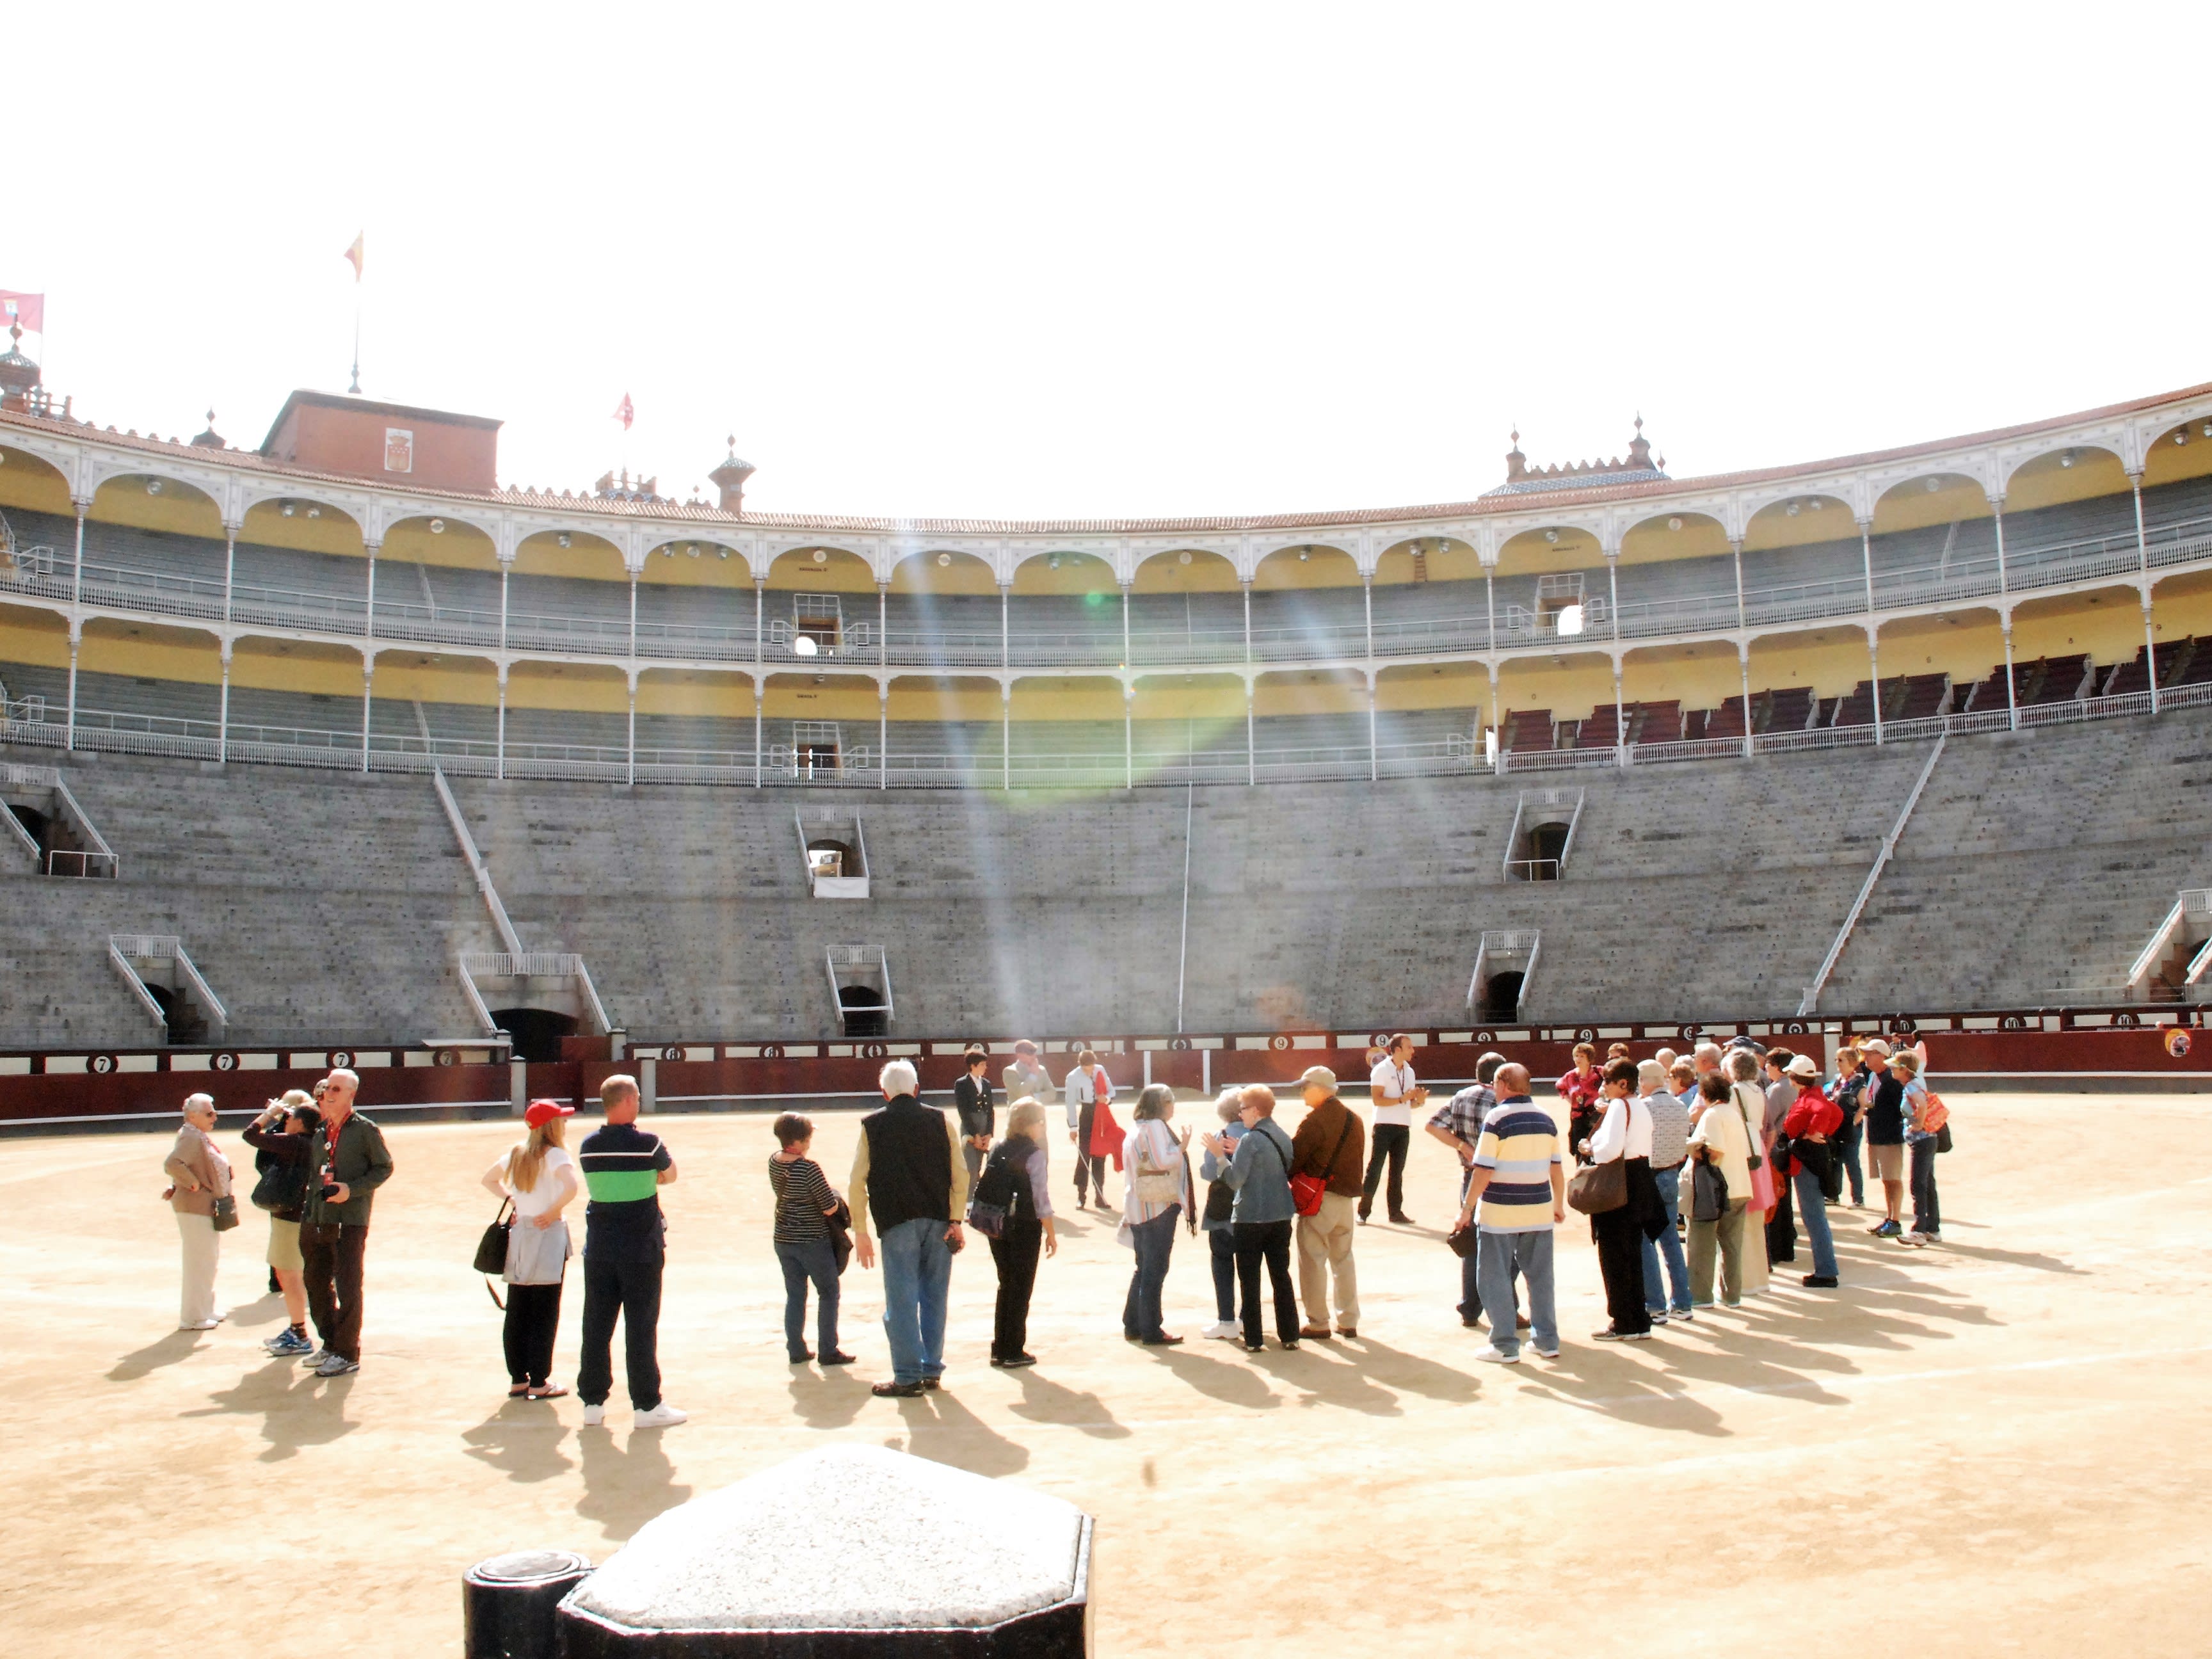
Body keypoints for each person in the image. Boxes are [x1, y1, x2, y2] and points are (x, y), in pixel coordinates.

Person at [851, 1059, 969, 1398]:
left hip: (896, 1223)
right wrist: (956, 1220)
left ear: (884, 1093)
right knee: (935, 1297)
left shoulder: (872, 1125)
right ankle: (931, 1368)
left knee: (902, 1301)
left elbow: (857, 1181)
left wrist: (860, 1230)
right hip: (938, 1222)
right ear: (917, 1089)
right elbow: (960, 1174)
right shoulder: (940, 1120)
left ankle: (907, 1376)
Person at [576, 1075, 686, 1427]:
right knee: (640, 1327)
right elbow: (670, 1176)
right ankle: (646, 1405)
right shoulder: (649, 1144)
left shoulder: (588, 1145)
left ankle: (592, 1402)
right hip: (641, 1247)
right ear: (627, 1102)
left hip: (600, 1249)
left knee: (596, 1324)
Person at [1454, 1068, 1566, 1364]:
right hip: (1539, 1208)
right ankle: (1546, 1340)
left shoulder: (1497, 1118)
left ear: (1503, 1085)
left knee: (1494, 1277)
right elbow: (1556, 1166)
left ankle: (1504, 1344)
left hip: (1501, 1211)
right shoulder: (1546, 1117)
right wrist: (1559, 1203)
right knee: (1541, 1277)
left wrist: (1467, 1209)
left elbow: (1484, 1169)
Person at [483, 1098, 581, 1399]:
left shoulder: (517, 1153)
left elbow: (488, 1180)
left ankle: (518, 1378)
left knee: (518, 1307)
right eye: (561, 1120)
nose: (564, 1124)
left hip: (521, 1232)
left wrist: (514, 1201)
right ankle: (540, 1379)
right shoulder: (556, 1155)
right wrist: (553, 1212)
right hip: (547, 1233)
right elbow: (572, 1187)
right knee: (545, 1308)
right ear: (551, 1126)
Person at [298, 1068, 392, 1377]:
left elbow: (383, 1168)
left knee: (348, 1285)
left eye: (337, 1088)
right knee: (315, 1282)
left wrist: (351, 1190)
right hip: (318, 1219)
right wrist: (310, 1215)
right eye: (327, 1087)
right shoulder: (323, 1131)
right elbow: (315, 1175)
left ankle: (348, 1351)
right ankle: (331, 1341)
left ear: (352, 1094)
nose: (329, 1092)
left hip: (350, 1220)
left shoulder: (365, 1130)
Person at [1200, 1084, 1301, 1352]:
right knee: (1281, 1276)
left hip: (1250, 1218)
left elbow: (1234, 1181)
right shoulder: (1281, 1134)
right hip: (1280, 1215)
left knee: (1250, 1279)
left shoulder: (1250, 1139)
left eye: (1244, 1109)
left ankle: (1254, 1339)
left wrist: (1221, 1156)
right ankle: (1290, 1335)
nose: (1241, 1114)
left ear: (1255, 1110)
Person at [1427, 1052, 1514, 1329]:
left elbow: (1432, 1126)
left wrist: (1463, 1146)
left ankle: (1470, 1307)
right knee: (1506, 1247)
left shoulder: (1462, 1096)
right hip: (1501, 1178)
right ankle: (1506, 1306)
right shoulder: (1500, 1101)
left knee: (1472, 1244)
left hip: (1470, 1177)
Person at [1581, 1058, 1662, 1342]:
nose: (1605, 1087)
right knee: (1632, 1252)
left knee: (1614, 1253)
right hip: (1640, 1177)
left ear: (1623, 1084)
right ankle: (1637, 1318)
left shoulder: (1619, 1106)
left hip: (1620, 1180)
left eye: (1608, 1082)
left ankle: (1624, 1320)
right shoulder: (1641, 1105)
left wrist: (1589, 1148)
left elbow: (1610, 1150)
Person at [769, 1112, 852, 1367]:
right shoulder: (809, 1167)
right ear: (802, 1140)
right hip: (812, 1240)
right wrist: (837, 1197)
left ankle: (796, 1348)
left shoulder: (774, 1161)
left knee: (795, 1295)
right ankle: (828, 1350)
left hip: (784, 1237)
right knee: (828, 1292)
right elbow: (828, 1207)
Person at [978, 1098, 1057, 1367]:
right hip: (1023, 1226)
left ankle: (1000, 1347)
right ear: (1031, 1123)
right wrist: (1051, 1232)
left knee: (1006, 1284)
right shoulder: (1034, 1154)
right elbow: (1041, 1199)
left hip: (996, 1224)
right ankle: (1013, 1349)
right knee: (1021, 1288)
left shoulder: (998, 1147)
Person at [242, 1089, 320, 1356]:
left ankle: (299, 1333)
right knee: (290, 1273)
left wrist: (269, 1114)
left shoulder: (295, 1143)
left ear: (298, 1123)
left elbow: (250, 1136)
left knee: (289, 1275)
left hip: (289, 1218)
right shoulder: (309, 1142)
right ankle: (297, 1329)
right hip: (298, 1214)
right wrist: (284, 1115)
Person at [1291, 1066, 1365, 1340]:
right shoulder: (1354, 1119)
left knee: (1312, 1260)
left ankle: (1319, 1322)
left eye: (1305, 1087)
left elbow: (1294, 1159)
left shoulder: (1315, 1121)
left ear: (1321, 1090)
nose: (1301, 1092)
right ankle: (1348, 1319)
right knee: (1343, 1260)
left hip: (1319, 1198)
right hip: (1346, 1198)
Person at [1119, 1084, 1192, 1346]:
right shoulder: (1156, 1127)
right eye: (1170, 1102)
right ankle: (1151, 1328)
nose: (1172, 1107)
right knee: (1155, 1269)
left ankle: (1134, 1323)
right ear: (1161, 1105)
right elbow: (1163, 1161)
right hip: (1157, 1207)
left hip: (1138, 1207)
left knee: (1144, 1268)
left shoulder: (1137, 1128)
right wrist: (1182, 1147)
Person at [163, 1093, 233, 1333]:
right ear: (193, 1116)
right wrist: (192, 1183)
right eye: (209, 1113)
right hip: (195, 1207)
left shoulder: (195, 1135)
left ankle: (204, 1309)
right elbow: (173, 1163)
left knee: (207, 1259)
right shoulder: (192, 1137)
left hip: (202, 1206)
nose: (215, 1117)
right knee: (199, 1262)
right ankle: (193, 1317)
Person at [1685, 1072, 1752, 1308]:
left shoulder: (1713, 1115)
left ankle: (1701, 1296)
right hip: (1739, 1185)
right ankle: (1732, 1295)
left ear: (1704, 1094)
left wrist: (1692, 1148)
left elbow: (1714, 1152)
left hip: (1714, 1190)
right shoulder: (1733, 1114)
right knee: (1732, 1247)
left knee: (1702, 1245)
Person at [1637, 1059, 1694, 1326]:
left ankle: (1656, 1305)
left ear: (1647, 1081)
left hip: (1649, 1178)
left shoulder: (1644, 1107)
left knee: (1645, 1241)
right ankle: (1682, 1303)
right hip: (1672, 1174)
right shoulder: (1680, 1105)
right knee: (1670, 1239)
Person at [1779, 1054, 1843, 1286]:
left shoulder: (1808, 1100)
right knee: (1815, 1217)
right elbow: (1836, 1113)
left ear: (1793, 1079)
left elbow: (1826, 1113)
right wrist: (1822, 1133)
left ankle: (1826, 1271)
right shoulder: (1815, 1096)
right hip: (1813, 1158)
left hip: (1806, 1162)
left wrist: (1814, 1132)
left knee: (1814, 1217)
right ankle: (1826, 1269)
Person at [1360, 1034, 1426, 1225]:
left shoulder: (1410, 1072)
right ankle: (1363, 1212)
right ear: (1397, 1050)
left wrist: (1419, 1102)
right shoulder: (1381, 1070)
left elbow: (1410, 1104)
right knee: (1375, 1169)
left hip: (1403, 1126)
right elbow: (1377, 1100)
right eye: (1409, 1047)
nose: (1413, 1051)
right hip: (1383, 1125)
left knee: (1397, 1172)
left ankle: (1395, 1212)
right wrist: (1402, 1100)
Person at [1198, 1089, 1247, 1341]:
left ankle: (1226, 1319)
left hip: (1222, 1207)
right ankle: (1248, 1318)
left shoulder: (1221, 1135)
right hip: (1250, 1208)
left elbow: (1210, 1172)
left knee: (1222, 1262)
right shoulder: (1255, 1135)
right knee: (1250, 1267)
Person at [1725, 1048, 1774, 1297]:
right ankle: (1760, 1279)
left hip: (1741, 1151)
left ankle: (1744, 1282)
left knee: (1740, 1224)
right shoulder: (1759, 1091)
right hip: (1757, 1149)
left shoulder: (1734, 1092)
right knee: (1755, 1223)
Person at [1861, 1037, 1909, 1238]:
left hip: (1890, 1136)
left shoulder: (1891, 1079)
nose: (1865, 1058)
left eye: (1870, 1054)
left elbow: (1901, 1109)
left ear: (1881, 1056)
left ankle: (1895, 1220)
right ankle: (1890, 1218)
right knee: (1886, 1179)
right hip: (1877, 1134)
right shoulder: (1875, 1076)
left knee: (1893, 1178)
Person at [1064, 1049, 1120, 1210]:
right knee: (1084, 1155)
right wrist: (1073, 1127)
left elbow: (1112, 1091)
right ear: (1080, 1065)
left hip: (1101, 1114)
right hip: (1087, 1115)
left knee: (1100, 1156)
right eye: (1086, 1068)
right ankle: (1081, 1196)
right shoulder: (1073, 1077)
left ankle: (1099, 1196)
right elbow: (1070, 1104)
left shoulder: (1100, 1069)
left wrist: (1107, 1098)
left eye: (1091, 1066)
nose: (1090, 1070)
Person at [1897, 1049, 1941, 1246]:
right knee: (1927, 1183)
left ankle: (1919, 1230)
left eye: (1894, 1067)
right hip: (1928, 1139)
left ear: (1903, 1069)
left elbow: (1921, 1103)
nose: (1891, 1070)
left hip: (1921, 1139)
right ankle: (1933, 1228)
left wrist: (1920, 1123)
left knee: (1918, 1184)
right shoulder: (1914, 1085)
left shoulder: (1911, 1087)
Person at [1761, 1048, 1798, 1265]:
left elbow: (1768, 1121)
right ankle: (1786, 1248)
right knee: (1785, 1198)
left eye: (1768, 1065)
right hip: (1786, 1146)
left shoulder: (1777, 1090)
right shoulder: (1789, 1086)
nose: (1766, 1069)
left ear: (1777, 1067)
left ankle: (1776, 1249)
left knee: (1775, 1199)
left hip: (1776, 1148)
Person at [1828, 1040, 1870, 1207]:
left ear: (1852, 1062)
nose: (1837, 1063)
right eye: (1837, 1060)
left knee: (1851, 1161)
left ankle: (1858, 1198)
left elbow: (1863, 1106)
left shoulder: (1859, 1082)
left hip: (1850, 1128)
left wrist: (1854, 1123)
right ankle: (1834, 1195)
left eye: (1841, 1060)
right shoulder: (1838, 1080)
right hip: (1836, 1127)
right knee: (1835, 1160)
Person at [953, 1045, 995, 1185]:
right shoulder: (962, 1084)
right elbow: (963, 1112)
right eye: (982, 1064)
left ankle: (974, 1199)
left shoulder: (987, 1084)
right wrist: (975, 1134)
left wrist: (989, 1133)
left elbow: (990, 1110)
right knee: (971, 1167)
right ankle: (969, 1201)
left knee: (980, 1165)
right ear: (973, 1066)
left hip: (984, 1127)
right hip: (970, 1127)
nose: (985, 1067)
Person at [1557, 1042, 1604, 1155]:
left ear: (1589, 1058)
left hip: (1596, 1114)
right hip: (1577, 1116)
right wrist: (1571, 1102)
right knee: (1579, 1148)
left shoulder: (1600, 1073)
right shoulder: (1570, 1076)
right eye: (1576, 1056)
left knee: (1596, 1145)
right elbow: (1560, 1087)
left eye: (1582, 1056)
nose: (1578, 1059)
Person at [1002, 1041, 1052, 1117]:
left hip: (1037, 1116)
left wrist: (1035, 1097)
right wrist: (1033, 1075)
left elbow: (1052, 1094)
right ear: (1019, 1055)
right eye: (1030, 1054)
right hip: (1017, 1117)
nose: (1034, 1056)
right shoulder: (1010, 1071)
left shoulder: (1041, 1070)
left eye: (1034, 1053)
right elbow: (1020, 1093)